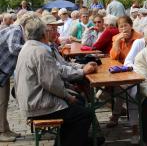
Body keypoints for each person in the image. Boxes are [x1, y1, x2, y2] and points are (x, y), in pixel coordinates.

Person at [14, 16, 92, 146]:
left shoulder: (28, 47)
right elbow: (51, 83)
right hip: (38, 105)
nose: (55, 32)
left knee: (77, 106)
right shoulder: (40, 51)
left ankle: (74, 140)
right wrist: (67, 96)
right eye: (52, 29)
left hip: (31, 101)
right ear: (44, 33)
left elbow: (53, 77)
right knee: (84, 114)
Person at [0, 12, 30, 142]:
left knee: (4, 101)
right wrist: (30, 47)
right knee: (1, 102)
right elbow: (13, 48)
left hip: (3, 70)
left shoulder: (18, 30)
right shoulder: (17, 30)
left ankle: (5, 129)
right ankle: (2, 132)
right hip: (1, 70)